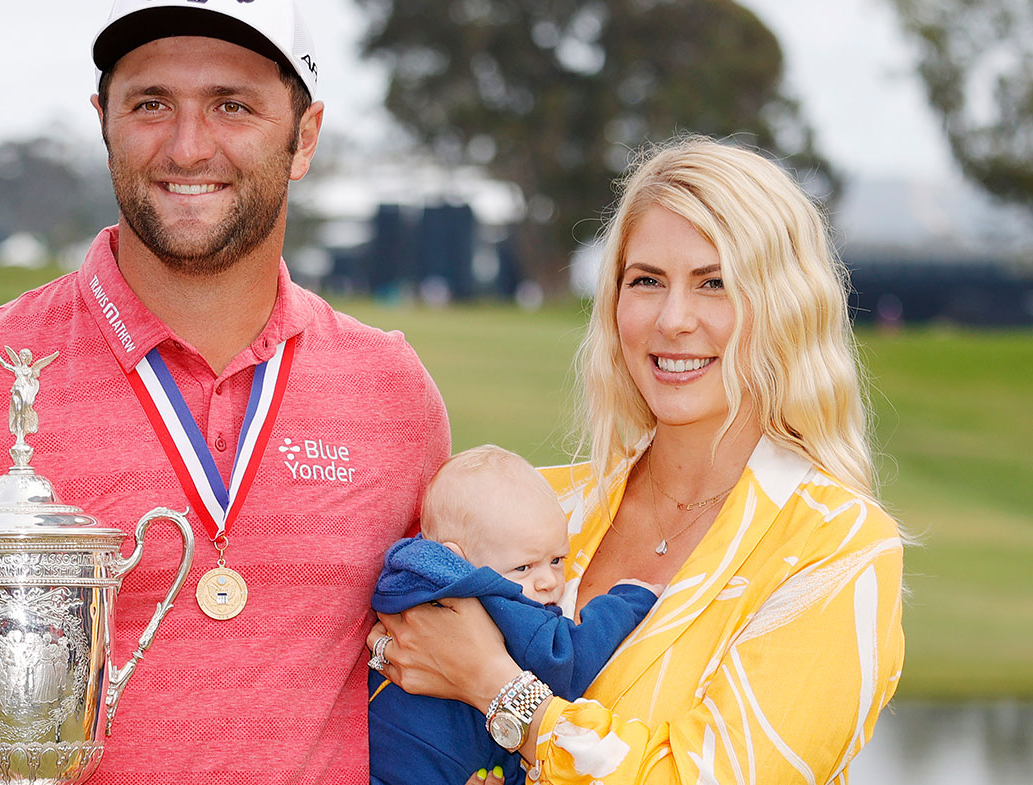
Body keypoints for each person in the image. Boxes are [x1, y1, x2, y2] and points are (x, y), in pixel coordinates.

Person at [0, 2, 450, 783]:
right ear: (103, 119)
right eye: (150, 104)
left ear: (304, 135)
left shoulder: (394, 393)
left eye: (232, 105)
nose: (187, 146)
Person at [368, 137, 905, 785]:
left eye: (716, 283)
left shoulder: (836, 546)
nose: (673, 319)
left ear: (785, 308)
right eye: (646, 280)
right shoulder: (541, 503)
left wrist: (496, 686)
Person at [368, 445, 658, 785]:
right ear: (458, 558)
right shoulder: (495, 601)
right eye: (523, 567)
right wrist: (624, 603)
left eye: (557, 560)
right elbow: (567, 664)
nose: (549, 582)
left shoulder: (408, 583)